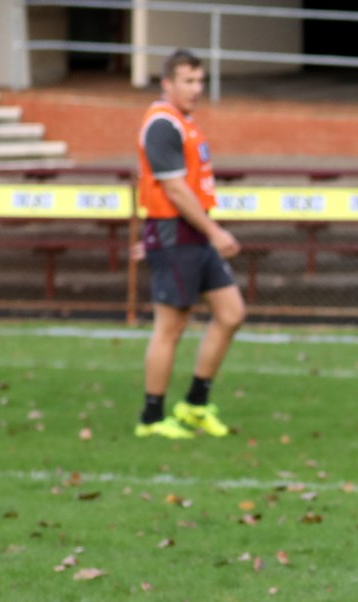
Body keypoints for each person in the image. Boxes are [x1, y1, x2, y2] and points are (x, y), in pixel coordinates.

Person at [134, 48, 244, 439]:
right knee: (171, 325)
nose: (196, 88)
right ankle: (152, 417)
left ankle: (195, 404)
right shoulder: (163, 124)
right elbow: (175, 190)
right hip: (174, 232)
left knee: (231, 313)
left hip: (192, 232)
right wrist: (215, 232)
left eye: (200, 81)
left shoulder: (184, 122)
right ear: (167, 83)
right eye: (188, 81)